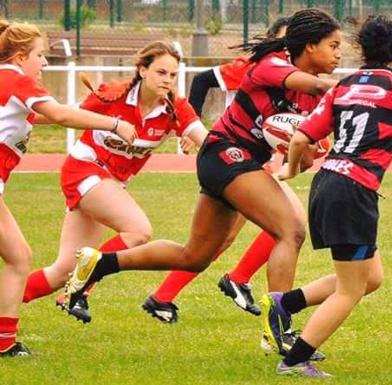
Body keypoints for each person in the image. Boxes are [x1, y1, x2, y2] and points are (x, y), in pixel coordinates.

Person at [63, 8, 342, 353]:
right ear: (311, 46)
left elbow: (303, 153)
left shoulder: (311, 97)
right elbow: (314, 83)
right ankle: (278, 328)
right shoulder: (273, 64)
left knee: (193, 256)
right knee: (290, 230)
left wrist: (305, 150)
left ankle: (100, 263)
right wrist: (351, 88)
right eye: (334, 45)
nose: (339, 54)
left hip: (234, 161)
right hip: (225, 154)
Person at [261, 15, 392, 377]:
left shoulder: (343, 86)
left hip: (328, 183)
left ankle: (284, 304)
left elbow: (301, 137)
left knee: (372, 278)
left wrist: (290, 169)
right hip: (353, 191)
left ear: (360, 47)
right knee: (350, 290)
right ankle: (294, 360)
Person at [21, 41, 207, 324]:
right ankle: (82, 289)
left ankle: (8, 301)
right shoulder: (115, 95)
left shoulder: (175, 108)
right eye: (161, 72)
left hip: (111, 184)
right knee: (138, 230)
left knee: (63, 272)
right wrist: (19, 115)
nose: (168, 80)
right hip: (84, 170)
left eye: (172, 75)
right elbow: (69, 114)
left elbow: (204, 138)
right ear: (142, 70)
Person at [143, 16, 294, 322]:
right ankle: (233, 282)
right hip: (232, 157)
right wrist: (190, 129)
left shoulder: (297, 78)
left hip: (253, 160)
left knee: (271, 229)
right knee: (284, 224)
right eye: (286, 40)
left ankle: (168, 295)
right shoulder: (258, 67)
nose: (291, 48)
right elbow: (202, 80)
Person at [0, 20, 136, 355]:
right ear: (20, 57)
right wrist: (115, 123)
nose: (44, 63)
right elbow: (60, 115)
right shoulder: (15, 78)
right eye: (40, 56)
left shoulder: (8, 79)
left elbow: (48, 115)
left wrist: (96, 109)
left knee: (19, 257)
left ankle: (5, 343)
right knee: (19, 258)